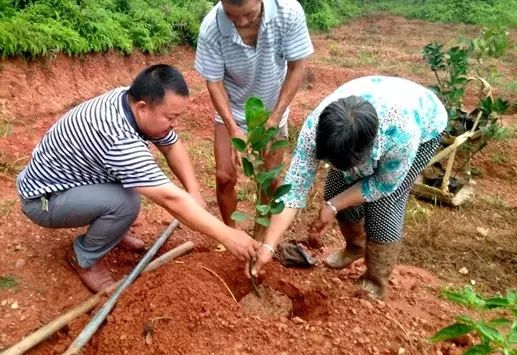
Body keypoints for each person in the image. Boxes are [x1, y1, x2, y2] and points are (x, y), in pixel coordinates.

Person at [16, 64, 259, 293]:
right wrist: (227, 234)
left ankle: (111, 231)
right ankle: (84, 258)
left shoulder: (130, 101)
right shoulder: (116, 136)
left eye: (177, 117)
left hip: (74, 179)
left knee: (127, 192)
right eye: (170, 117)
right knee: (125, 202)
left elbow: (171, 146)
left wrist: (194, 192)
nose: (174, 125)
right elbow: (168, 198)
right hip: (44, 200)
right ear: (143, 107)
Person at [248, 76, 448, 299]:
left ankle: (375, 282)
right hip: (375, 107)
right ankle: (356, 247)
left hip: (426, 123)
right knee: (335, 186)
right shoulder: (317, 127)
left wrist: (333, 207)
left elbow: (382, 185)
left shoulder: (401, 138)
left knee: (384, 207)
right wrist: (268, 246)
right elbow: (294, 189)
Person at [194, 0, 314, 238]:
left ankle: (259, 239)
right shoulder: (212, 28)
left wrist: (275, 117)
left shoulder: (288, 12)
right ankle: (232, 236)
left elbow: (297, 67)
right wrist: (232, 129)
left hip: (273, 108)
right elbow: (214, 83)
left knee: (270, 179)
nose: (240, 22)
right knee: (224, 176)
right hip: (232, 110)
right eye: (231, 15)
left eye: (248, 15)